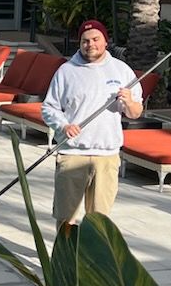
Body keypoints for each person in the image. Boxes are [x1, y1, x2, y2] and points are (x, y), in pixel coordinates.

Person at [40, 19, 144, 226]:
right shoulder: (66, 71)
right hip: (72, 154)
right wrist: (64, 125)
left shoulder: (122, 71)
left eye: (95, 39)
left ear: (106, 41)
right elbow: (48, 108)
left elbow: (135, 113)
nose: (90, 45)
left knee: (99, 221)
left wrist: (129, 102)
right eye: (85, 41)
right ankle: (66, 248)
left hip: (107, 156)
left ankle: (94, 249)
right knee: (66, 218)